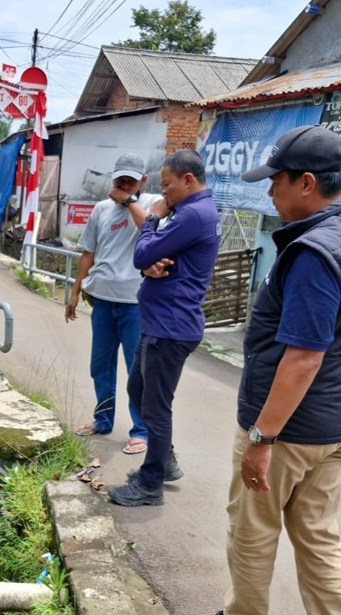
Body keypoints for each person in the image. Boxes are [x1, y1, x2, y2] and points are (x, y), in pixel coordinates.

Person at [215, 125, 341, 615]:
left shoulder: (314, 252)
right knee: (320, 538)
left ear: (307, 183)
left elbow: (304, 355)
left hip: (288, 430)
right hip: (330, 428)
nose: (269, 192)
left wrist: (262, 438)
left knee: (252, 532)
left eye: (276, 180)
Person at [107, 148, 221, 507]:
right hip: (160, 323)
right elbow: (154, 261)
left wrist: (153, 220)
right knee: (138, 387)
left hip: (170, 327)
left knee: (156, 407)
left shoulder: (193, 214)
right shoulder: (191, 211)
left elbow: (142, 254)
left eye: (168, 185)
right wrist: (151, 264)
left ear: (188, 180)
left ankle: (150, 483)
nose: (163, 193)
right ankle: (164, 459)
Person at [66, 153, 161, 455]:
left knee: (137, 370)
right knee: (100, 365)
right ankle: (103, 419)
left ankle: (141, 430)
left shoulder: (153, 204)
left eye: (131, 180)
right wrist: (75, 290)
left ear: (143, 181)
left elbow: (151, 232)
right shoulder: (101, 209)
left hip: (135, 302)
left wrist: (129, 201)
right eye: (120, 179)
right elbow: (88, 252)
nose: (124, 184)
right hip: (103, 300)